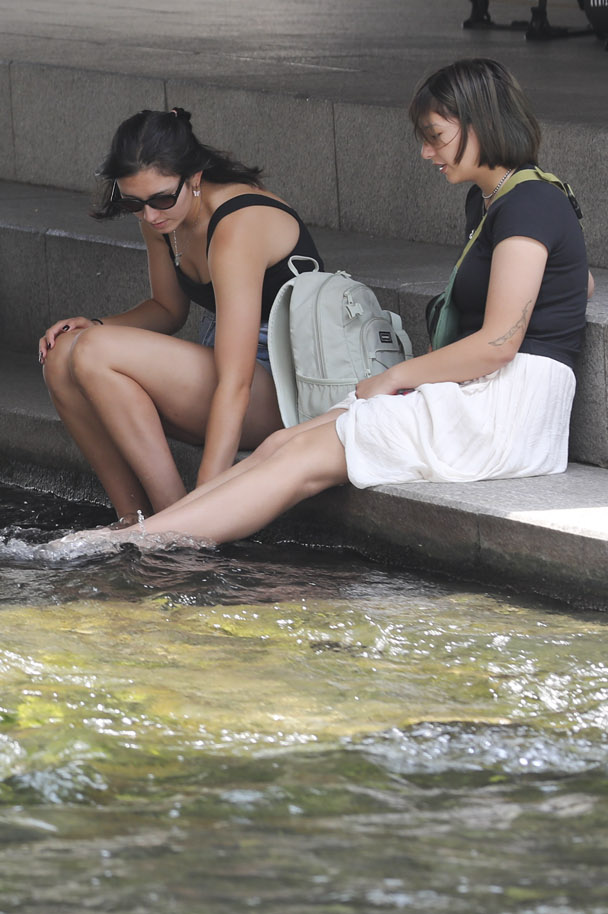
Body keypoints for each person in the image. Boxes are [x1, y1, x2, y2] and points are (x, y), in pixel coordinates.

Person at [69, 59, 587, 550]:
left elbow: (499, 345)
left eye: (436, 137)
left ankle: (140, 545)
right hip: (474, 392)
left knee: (305, 457)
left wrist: (394, 376)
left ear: (484, 123)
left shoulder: (531, 201)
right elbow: (577, 281)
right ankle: (160, 535)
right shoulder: (497, 199)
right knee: (280, 445)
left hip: (506, 409)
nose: (427, 153)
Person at [39, 108, 322, 525]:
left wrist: (207, 497)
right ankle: (132, 520)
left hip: (289, 390)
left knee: (94, 352)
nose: (151, 215)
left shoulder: (237, 225)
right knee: (62, 357)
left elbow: (236, 380)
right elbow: (168, 310)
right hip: (234, 375)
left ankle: (177, 527)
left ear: (195, 177)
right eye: (134, 203)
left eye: (161, 199)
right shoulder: (164, 218)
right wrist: (97, 324)